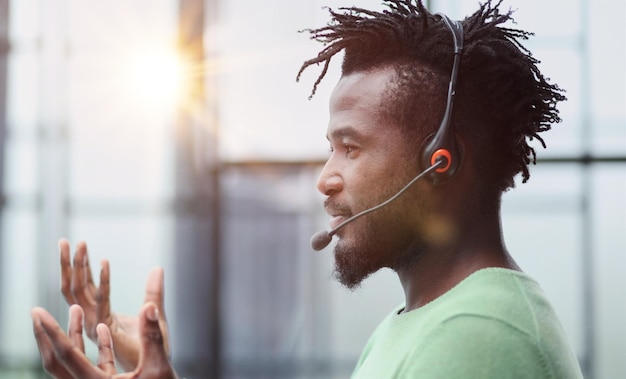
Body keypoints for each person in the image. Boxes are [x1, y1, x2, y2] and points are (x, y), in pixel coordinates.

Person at [31, 0, 583, 378]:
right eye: (330, 147)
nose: (325, 177)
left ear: (441, 161)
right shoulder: (420, 322)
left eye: (352, 147)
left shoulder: (476, 332)